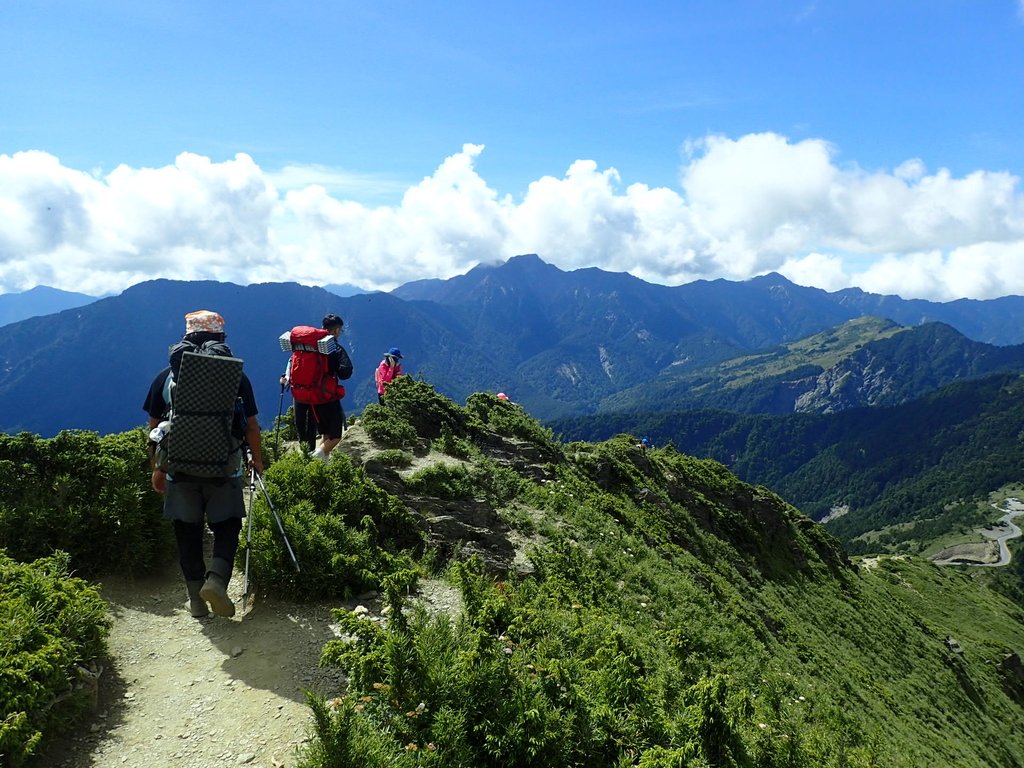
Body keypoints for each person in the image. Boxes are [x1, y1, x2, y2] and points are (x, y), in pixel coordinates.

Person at [143, 310, 263, 619]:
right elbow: (251, 426)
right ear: (220, 338)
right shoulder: (235, 376)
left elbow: (155, 428)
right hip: (224, 467)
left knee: (187, 531)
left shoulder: (164, 378)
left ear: (186, 338)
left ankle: (195, 601)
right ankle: (217, 581)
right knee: (228, 525)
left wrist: (157, 467)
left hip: (178, 469)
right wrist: (257, 462)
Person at [291, 313, 353, 460]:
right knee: (335, 436)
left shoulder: (307, 346)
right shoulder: (334, 348)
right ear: (336, 330)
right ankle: (315, 459)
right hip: (326, 397)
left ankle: (322, 464)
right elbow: (346, 372)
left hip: (308, 397)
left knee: (325, 432)